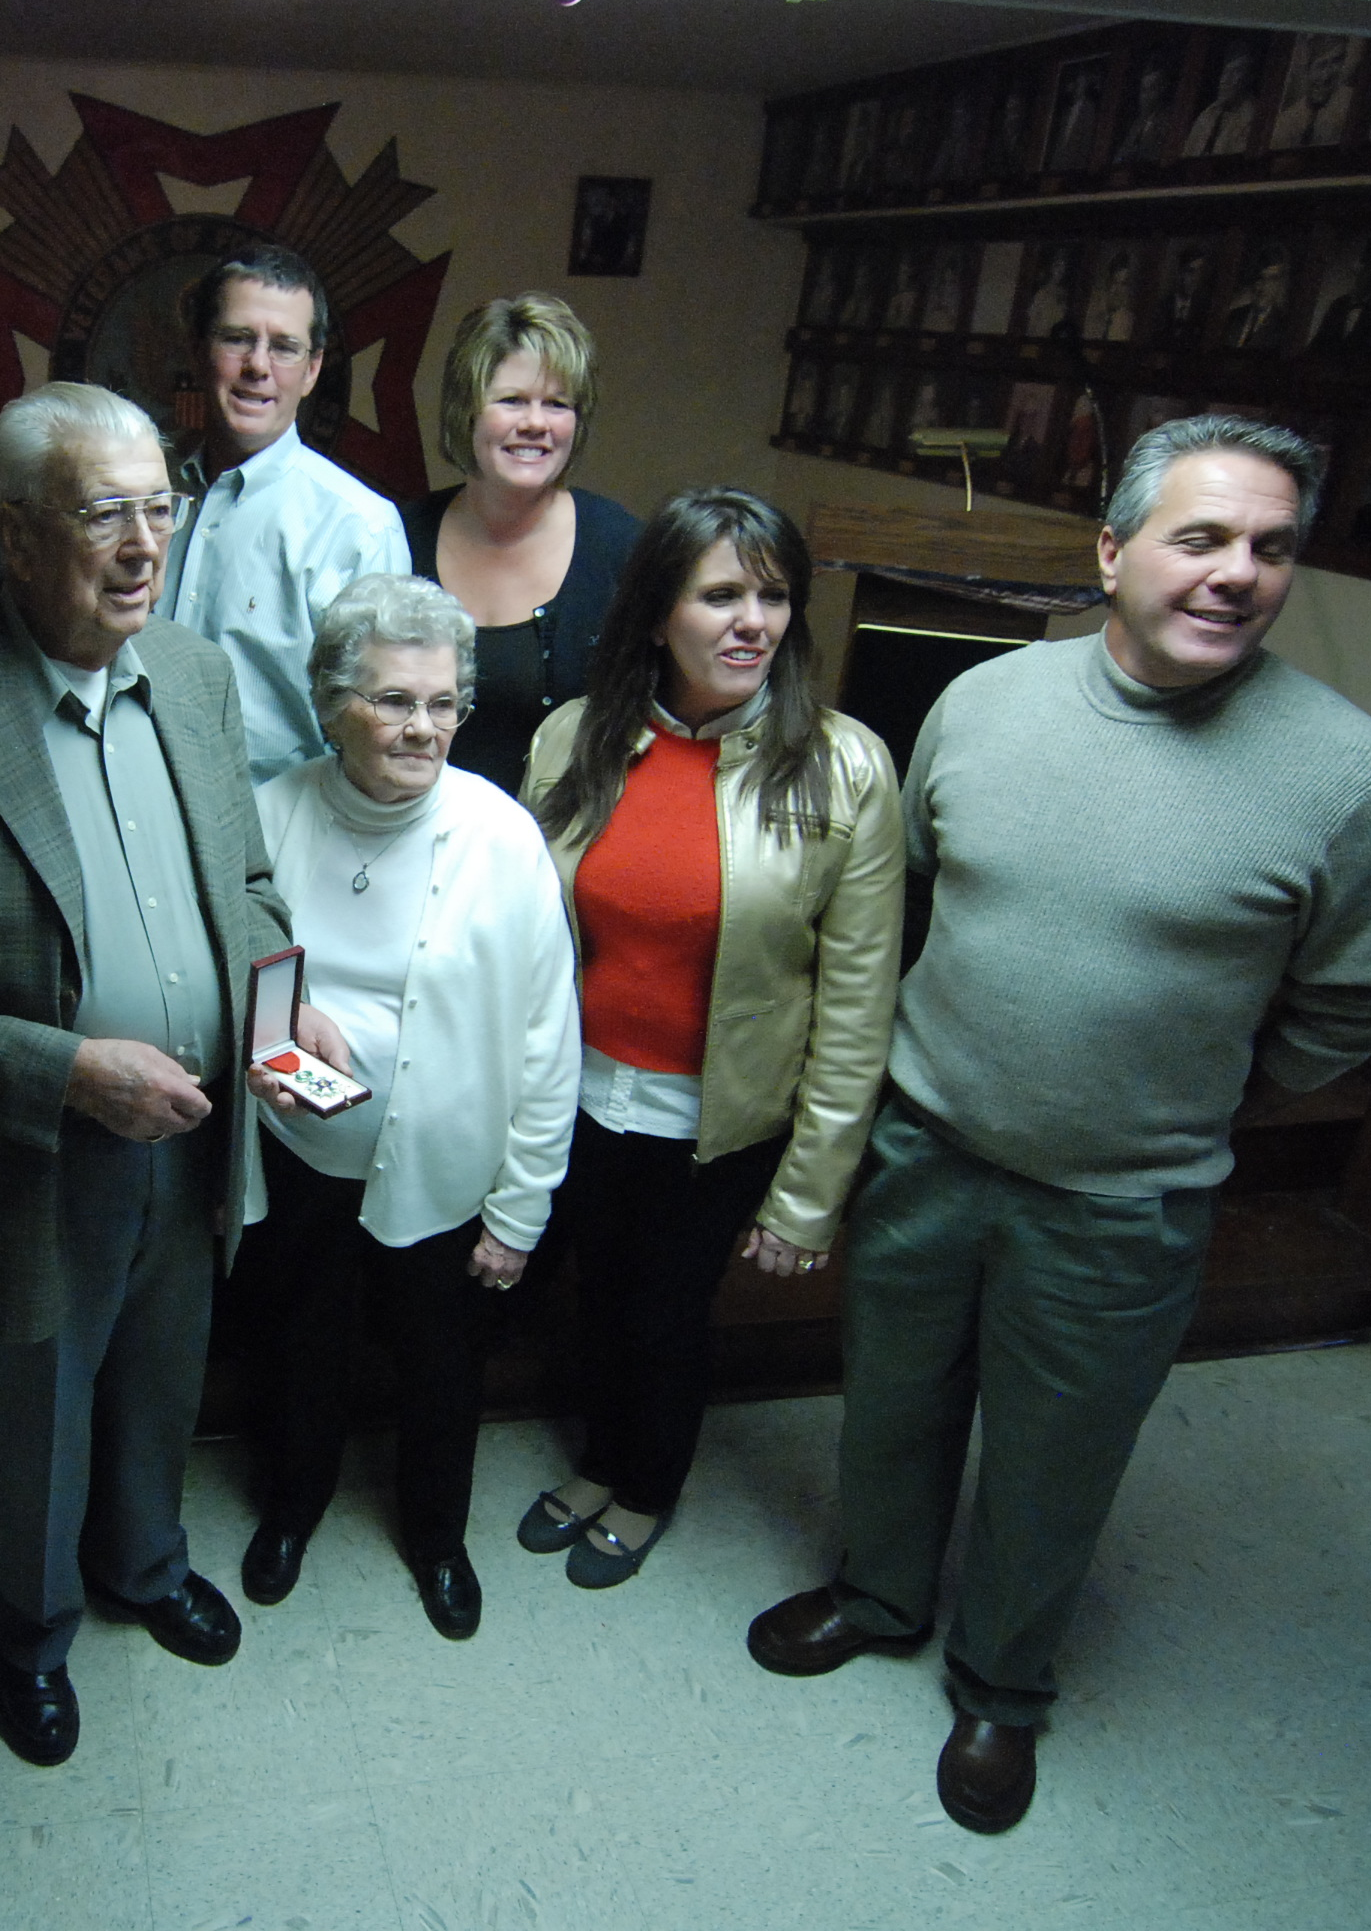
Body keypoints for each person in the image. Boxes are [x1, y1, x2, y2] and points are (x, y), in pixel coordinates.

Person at [748, 416, 1371, 1837]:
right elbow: (913, 894)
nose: (1237, 572)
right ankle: (878, 1596)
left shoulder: (1354, 777)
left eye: (1271, 548)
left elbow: (1363, 1002)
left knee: (1054, 1464)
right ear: (1113, 552)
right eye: (1202, 537)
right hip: (928, 1152)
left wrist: (1211, 1087)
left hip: (1123, 1202)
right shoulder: (984, 702)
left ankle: (1001, 1685)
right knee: (891, 1403)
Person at [0, 381, 338, 1767]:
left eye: (159, 507)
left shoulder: (195, 674)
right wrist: (68, 1073)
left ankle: (145, 1566)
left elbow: (246, 887)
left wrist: (282, 1015)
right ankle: (32, 1627)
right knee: (36, 1414)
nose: (144, 544)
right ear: (15, 536)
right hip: (37, 1154)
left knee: (163, 1379)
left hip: (200, 1130)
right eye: (105, 513)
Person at [516, 489, 904, 1591]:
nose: (753, 623)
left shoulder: (845, 766)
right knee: (596, 1292)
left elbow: (857, 1002)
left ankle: (644, 1488)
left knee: (665, 1315)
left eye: (773, 598)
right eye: (721, 595)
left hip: (719, 1113)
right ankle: (598, 1462)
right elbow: (519, 929)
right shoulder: (573, 736)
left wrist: (809, 1194)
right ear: (656, 614)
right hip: (578, 1090)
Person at [236, 575, 579, 1641]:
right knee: (300, 1347)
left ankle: (437, 1539)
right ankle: (290, 1509)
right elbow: (252, 971)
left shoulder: (502, 837)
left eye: (441, 702)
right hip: (299, 1157)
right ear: (332, 703)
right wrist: (275, 1050)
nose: (422, 727)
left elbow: (548, 1038)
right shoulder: (274, 813)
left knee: (442, 1366)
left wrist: (520, 1209)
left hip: (448, 1171)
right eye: (392, 700)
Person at [159, 242, 408, 785]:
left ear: (313, 369)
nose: (258, 366)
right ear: (199, 350)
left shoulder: (359, 528)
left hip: (279, 831)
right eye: (237, 338)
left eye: (284, 347)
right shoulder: (148, 495)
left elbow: (376, 745)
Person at [397, 294, 641, 794]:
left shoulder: (621, 548)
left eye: (557, 404)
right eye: (511, 400)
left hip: (566, 837)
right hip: (408, 830)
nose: (535, 423)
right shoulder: (397, 538)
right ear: (467, 411)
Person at [1181, 47, 1260, 159]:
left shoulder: (1253, 117)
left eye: (1235, 72)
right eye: (1225, 72)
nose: (1225, 80)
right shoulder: (1208, 114)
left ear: (1249, 78)